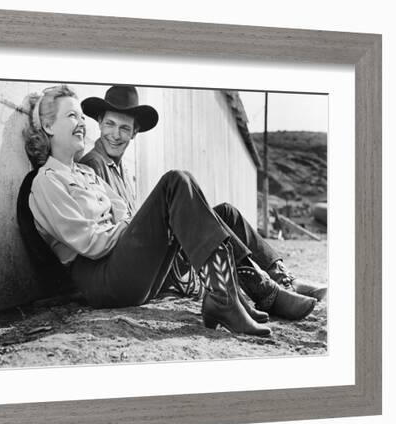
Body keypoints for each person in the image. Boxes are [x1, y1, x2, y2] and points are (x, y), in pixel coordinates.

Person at [22, 84, 318, 338]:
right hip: (101, 280)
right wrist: (148, 227)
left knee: (220, 211)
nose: (81, 123)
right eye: (71, 115)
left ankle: (253, 290)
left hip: (122, 267)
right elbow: (93, 243)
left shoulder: (86, 176)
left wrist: (148, 226)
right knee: (176, 182)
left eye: (80, 116)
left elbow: (123, 209)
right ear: (48, 126)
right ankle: (234, 296)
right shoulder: (46, 182)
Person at [79, 85, 327, 303]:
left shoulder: (122, 169)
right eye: (110, 124)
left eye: (124, 128)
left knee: (226, 213)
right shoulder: (93, 165)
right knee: (184, 196)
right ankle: (261, 285)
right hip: (128, 269)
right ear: (99, 122)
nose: (116, 134)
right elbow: (106, 235)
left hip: (143, 258)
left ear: (134, 133)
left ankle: (282, 276)